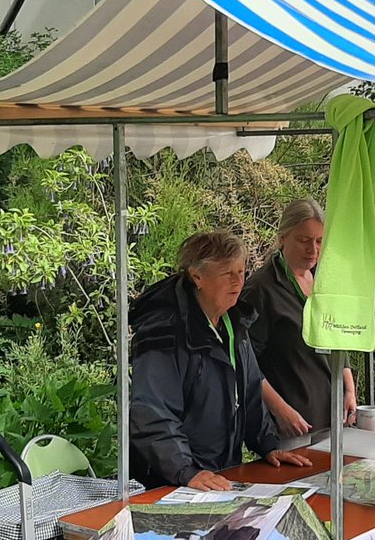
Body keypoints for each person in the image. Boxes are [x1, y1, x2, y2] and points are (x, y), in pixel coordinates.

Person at [128, 230, 308, 491]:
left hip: (219, 473)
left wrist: (268, 445)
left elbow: (249, 390)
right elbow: (152, 412)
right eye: (227, 274)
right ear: (197, 277)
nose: (238, 282)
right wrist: (186, 471)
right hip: (169, 481)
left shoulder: (235, 321)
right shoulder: (164, 331)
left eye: (241, 272)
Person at [239, 198, 358, 433]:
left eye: (319, 241)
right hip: (293, 424)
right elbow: (245, 362)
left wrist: (349, 389)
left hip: (335, 415)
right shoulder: (261, 289)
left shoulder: (325, 279)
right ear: (283, 237)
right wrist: (280, 410)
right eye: (303, 240)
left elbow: (337, 337)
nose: (312, 250)